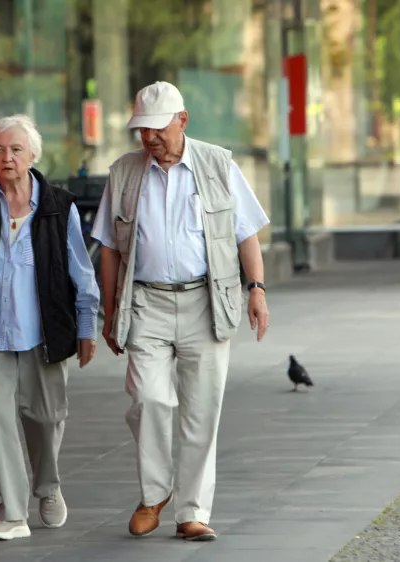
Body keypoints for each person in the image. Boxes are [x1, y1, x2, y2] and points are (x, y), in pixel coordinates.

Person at [90, 81, 271, 541]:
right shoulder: (124, 172)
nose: (149, 139)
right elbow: (109, 248)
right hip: (145, 301)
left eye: (157, 129)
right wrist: (110, 312)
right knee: (148, 399)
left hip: (205, 302)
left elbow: (245, 232)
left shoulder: (218, 163)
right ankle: (154, 494)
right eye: (141, 130)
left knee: (201, 411)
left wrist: (258, 289)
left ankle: (192, 512)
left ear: (182, 121)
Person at [0, 114, 100, 541]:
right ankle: (14, 512)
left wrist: (86, 326)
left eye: (15, 149)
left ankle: (47, 487)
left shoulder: (58, 205)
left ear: (32, 155)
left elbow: (82, 273)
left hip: (44, 332)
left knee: (46, 417)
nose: (7, 157)